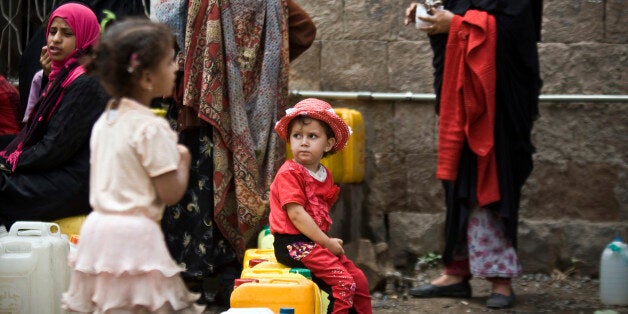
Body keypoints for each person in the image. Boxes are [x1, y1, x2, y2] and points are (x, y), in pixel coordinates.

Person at [150, 0, 316, 306]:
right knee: (236, 189)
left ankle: (194, 281)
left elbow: (164, 25)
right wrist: (260, 69)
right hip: (252, 115)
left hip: (201, 107)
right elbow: (304, 31)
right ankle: (232, 280)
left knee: (196, 190)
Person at [403, 0, 542, 309]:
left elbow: (516, 34)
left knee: (493, 176)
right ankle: (457, 271)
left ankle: (500, 278)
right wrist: (428, 12)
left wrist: (456, 23)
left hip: (499, 104)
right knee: (456, 181)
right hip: (457, 91)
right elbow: (451, 15)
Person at [61, 18, 203, 313]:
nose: (176, 67)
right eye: (169, 62)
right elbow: (169, 193)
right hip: (135, 238)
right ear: (147, 78)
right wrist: (183, 161)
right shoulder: (151, 128)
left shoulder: (105, 121)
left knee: (106, 305)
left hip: (97, 232)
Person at [0, 2, 108, 230]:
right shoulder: (66, 74)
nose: (55, 39)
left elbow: (53, 148)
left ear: (85, 37)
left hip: (73, 183)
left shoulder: (86, 82)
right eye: (52, 31)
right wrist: (50, 77)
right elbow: (36, 129)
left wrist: (8, 164)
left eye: (67, 34)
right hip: (59, 169)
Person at [269, 98, 372, 314]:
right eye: (297, 136)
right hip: (293, 245)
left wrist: (326, 243)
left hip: (313, 244)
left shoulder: (323, 175)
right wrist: (327, 242)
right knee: (342, 282)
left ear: (328, 144)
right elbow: (296, 215)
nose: (303, 142)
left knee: (358, 280)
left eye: (312, 136)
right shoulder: (290, 173)